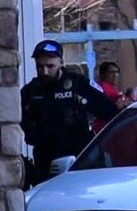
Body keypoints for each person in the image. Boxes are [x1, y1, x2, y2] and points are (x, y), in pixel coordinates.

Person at [20, 40, 121, 188]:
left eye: (50, 66)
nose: (45, 71)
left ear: (61, 62)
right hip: (46, 161)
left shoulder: (78, 84)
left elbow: (109, 112)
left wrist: (84, 103)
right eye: (40, 67)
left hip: (80, 160)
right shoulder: (30, 92)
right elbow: (22, 124)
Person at [91, 61, 131, 134]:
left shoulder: (113, 87)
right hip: (105, 127)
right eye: (110, 72)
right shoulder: (102, 87)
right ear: (102, 75)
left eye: (116, 72)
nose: (115, 75)